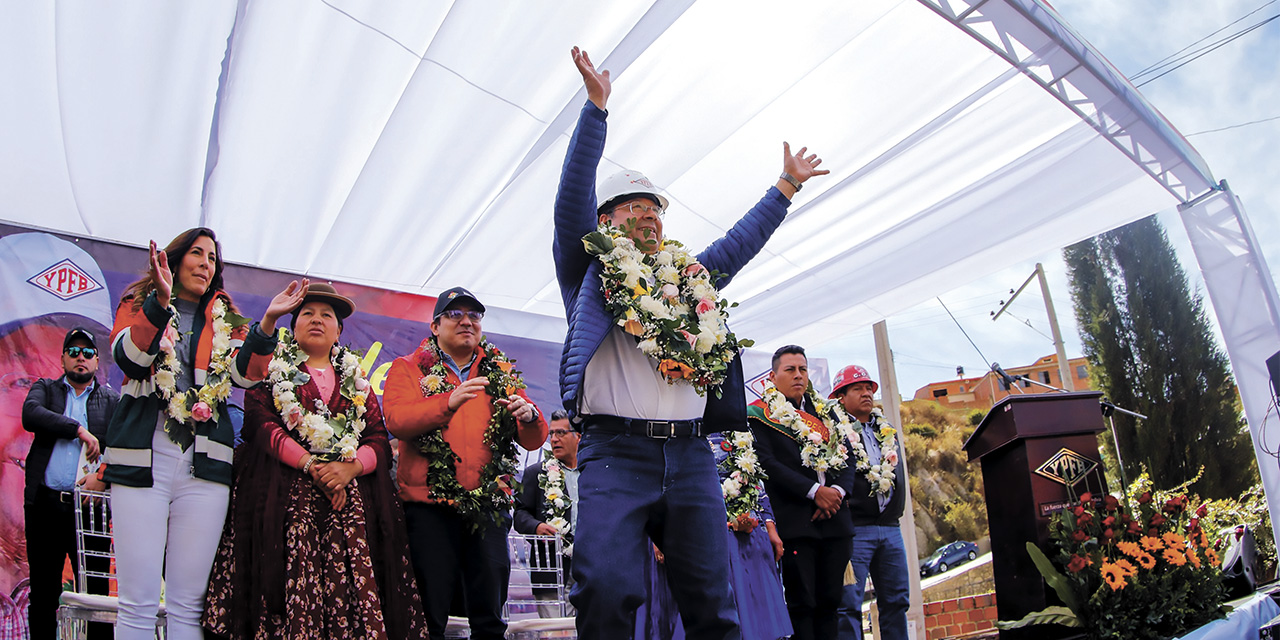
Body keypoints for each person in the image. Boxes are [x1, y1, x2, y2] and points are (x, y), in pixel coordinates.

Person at [554, 46, 829, 640]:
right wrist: (595, 111)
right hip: (613, 453)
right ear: (605, 224)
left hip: (690, 457)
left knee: (712, 603)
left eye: (654, 209)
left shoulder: (688, 281)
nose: (647, 217)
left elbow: (736, 245)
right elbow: (569, 202)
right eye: (632, 208)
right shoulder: (588, 273)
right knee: (602, 589)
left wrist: (783, 187)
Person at [101, 227, 305, 640]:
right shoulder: (138, 302)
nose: (206, 264)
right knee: (138, 603)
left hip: (205, 467)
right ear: (175, 261)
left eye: (213, 258)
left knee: (188, 606)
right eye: (197, 253)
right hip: (144, 457)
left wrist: (267, 322)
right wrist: (159, 303)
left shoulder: (224, 316)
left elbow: (246, 376)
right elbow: (132, 359)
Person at [203, 283, 428, 638]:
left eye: (327, 315)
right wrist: (312, 466)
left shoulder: (357, 382)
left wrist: (350, 468)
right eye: (307, 313)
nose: (317, 320)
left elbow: (377, 439)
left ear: (339, 330)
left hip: (348, 509)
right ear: (292, 327)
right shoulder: (272, 370)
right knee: (290, 593)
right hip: (285, 507)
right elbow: (258, 422)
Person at [383, 286, 548, 640]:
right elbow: (397, 420)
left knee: (489, 618)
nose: (466, 322)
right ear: (435, 326)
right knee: (429, 616)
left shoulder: (500, 373)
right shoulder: (408, 368)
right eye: (455, 314)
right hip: (428, 509)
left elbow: (534, 439)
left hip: (487, 510)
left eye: (474, 315)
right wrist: (447, 402)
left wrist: (531, 416)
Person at [637, 429, 794, 640]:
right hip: (684, 533)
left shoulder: (733, 430)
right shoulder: (668, 425)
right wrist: (656, 533)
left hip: (743, 536)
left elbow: (756, 482)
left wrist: (770, 528)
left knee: (752, 624)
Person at [749, 345, 856, 640]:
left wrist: (835, 491)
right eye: (790, 370)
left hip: (835, 520)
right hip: (796, 522)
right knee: (802, 605)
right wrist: (813, 492)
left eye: (803, 369)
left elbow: (849, 456)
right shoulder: (760, 415)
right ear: (772, 376)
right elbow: (766, 463)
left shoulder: (828, 413)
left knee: (831, 604)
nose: (798, 376)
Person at [21, 328, 119, 639]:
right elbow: (31, 414)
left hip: (90, 511)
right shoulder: (46, 390)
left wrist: (103, 478)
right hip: (45, 505)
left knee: (97, 599)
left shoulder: (112, 401)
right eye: (74, 351)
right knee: (43, 597)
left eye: (88, 353)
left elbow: (123, 449)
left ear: (97, 361)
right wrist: (77, 429)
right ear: (63, 358)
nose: (81, 357)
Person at [829, 365, 909, 640]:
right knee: (849, 604)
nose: (866, 393)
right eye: (857, 389)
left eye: (868, 388)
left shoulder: (887, 431)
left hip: (890, 528)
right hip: (856, 529)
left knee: (897, 601)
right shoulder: (833, 432)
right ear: (841, 396)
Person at [513, 409, 580, 618]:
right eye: (551, 434)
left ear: (578, 435)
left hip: (589, 569)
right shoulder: (537, 473)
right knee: (553, 633)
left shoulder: (593, 473)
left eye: (561, 433)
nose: (554, 439)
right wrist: (536, 526)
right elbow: (520, 514)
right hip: (551, 569)